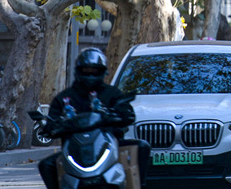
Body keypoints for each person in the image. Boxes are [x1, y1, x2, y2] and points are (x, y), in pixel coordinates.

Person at [38, 48, 150, 189]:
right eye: (86, 71)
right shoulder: (65, 97)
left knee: (143, 146)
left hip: (110, 146)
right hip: (74, 150)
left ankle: (142, 185)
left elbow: (127, 113)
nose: (90, 75)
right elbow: (51, 122)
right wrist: (51, 127)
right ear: (79, 71)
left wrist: (117, 115)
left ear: (102, 72)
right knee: (45, 165)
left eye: (94, 71)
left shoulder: (113, 93)